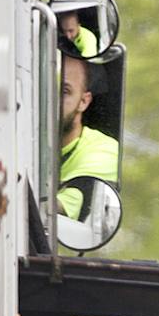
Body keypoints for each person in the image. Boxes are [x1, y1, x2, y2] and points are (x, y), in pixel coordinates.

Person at [56, 50, 119, 221]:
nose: (50, 100)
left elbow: (56, 209)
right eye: (45, 89)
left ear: (84, 101)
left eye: (63, 92)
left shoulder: (106, 152)